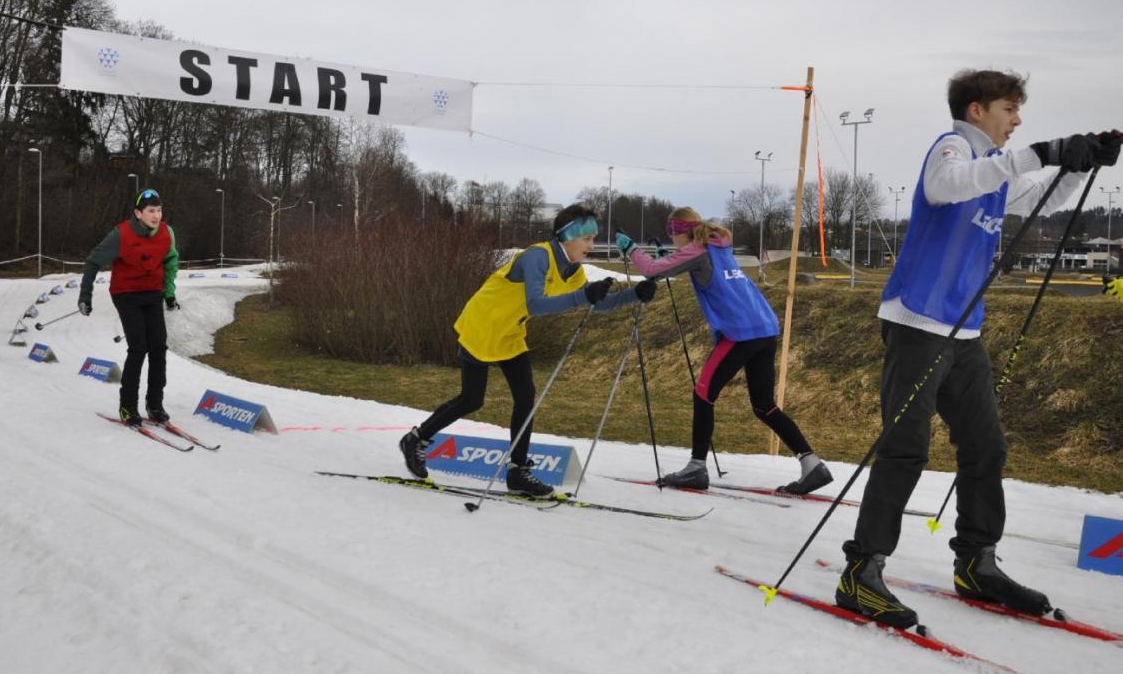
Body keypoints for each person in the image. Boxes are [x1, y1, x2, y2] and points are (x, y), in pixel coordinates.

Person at [834, 69, 1120, 629]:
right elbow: (947, 187)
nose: (1017, 121)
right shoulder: (953, 149)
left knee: (986, 447)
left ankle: (976, 563)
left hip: (964, 332)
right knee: (905, 449)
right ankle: (861, 572)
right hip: (917, 321)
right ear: (975, 110)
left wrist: (1072, 163)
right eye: (1009, 109)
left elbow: (1031, 192)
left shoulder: (992, 169)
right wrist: (1042, 152)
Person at [399, 204, 656, 497]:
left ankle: (517, 470)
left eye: (594, 239)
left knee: (526, 397)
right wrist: (583, 296)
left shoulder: (573, 272)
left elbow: (593, 303)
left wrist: (633, 295)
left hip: (510, 333)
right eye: (588, 239)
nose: (592, 245)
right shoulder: (538, 257)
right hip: (483, 325)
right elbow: (536, 303)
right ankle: (416, 439)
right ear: (569, 236)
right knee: (471, 399)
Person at [615, 210, 832, 495]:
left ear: (684, 231)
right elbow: (678, 264)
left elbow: (653, 271)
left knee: (703, 394)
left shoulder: (698, 250)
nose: (671, 237)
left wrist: (632, 250)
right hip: (764, 328)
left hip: (740, 333)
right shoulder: (718, 245)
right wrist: (666, 256)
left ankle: (696, 467)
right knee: (764, 405)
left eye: (673, 233)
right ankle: (812, 464)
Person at [78, 188, 180, 427]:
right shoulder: (120, 235)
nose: (156, 215)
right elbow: (93, 261)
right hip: (126, 294)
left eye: (159, 210)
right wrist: (86, 295)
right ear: (138, 213)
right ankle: (127, 406)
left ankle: (154, 404)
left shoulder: (166, 233)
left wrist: (169, 293)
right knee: (139, 347)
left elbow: (170, 261)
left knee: (158, 347)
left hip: (152, 292)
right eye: (151, 211)